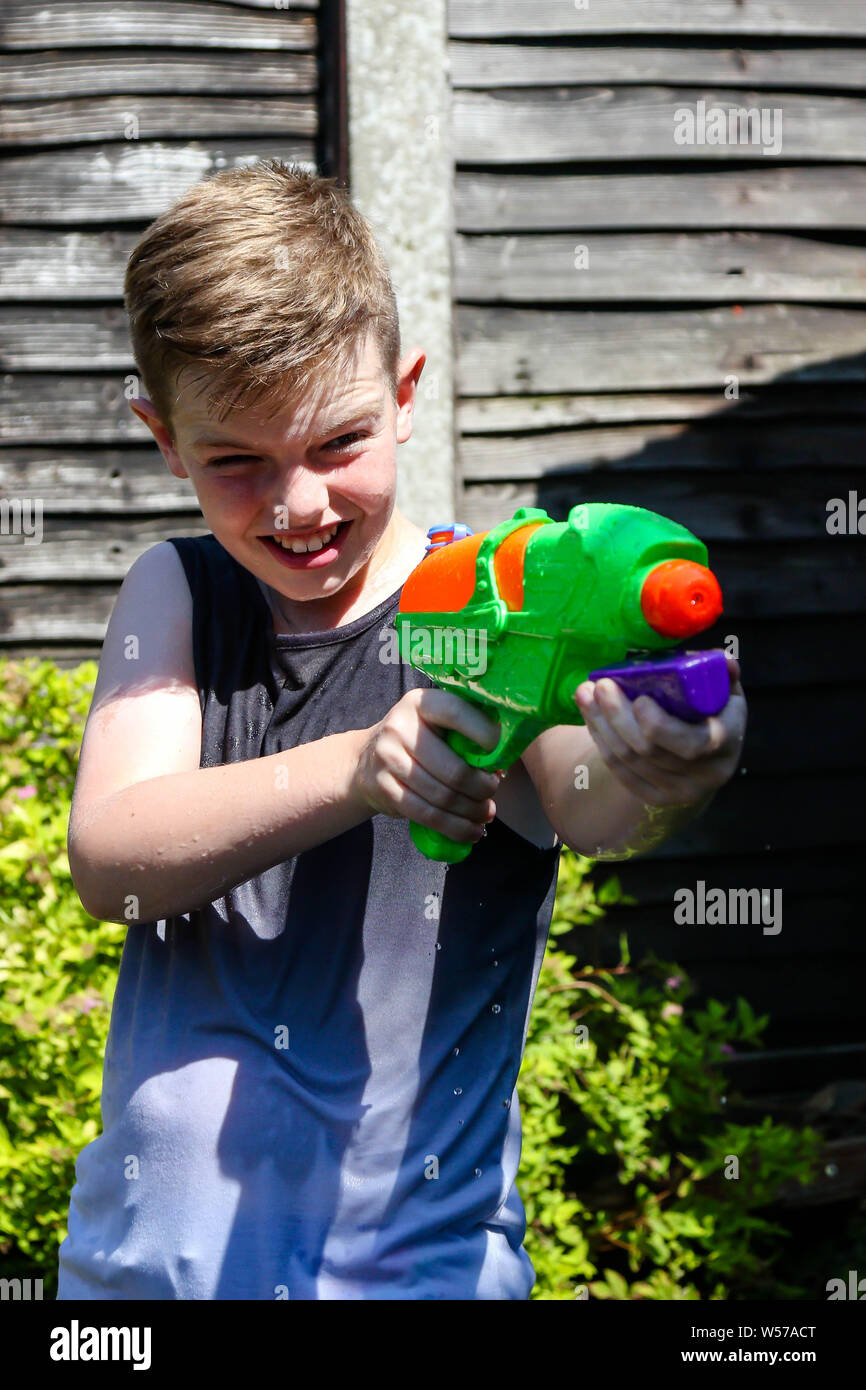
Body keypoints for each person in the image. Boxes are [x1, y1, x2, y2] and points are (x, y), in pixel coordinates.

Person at [57, 160, 746, 1300]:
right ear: (162, 437)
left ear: (406, 391)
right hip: (148, 1276)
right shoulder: (173, 595)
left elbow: (588, 805)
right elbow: (113, 862)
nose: (299, 505)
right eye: (236, 462)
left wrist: (669, 763)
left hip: (416, 1272)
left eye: (337, 443)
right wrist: (355, 766)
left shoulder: (491, 601)